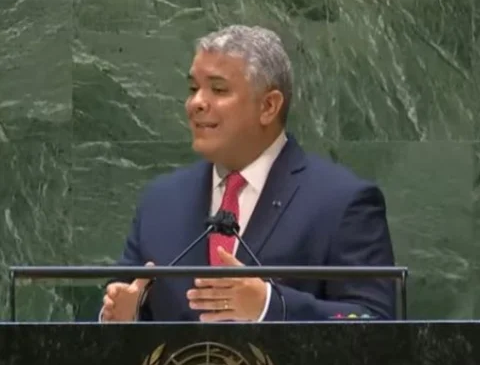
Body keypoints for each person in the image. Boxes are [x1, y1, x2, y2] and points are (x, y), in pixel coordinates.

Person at [100, 24, 396, 323]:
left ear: (268, 106)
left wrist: (268, 305)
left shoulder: (342, 202)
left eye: (218, 89)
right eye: (193, 89)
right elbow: (123, 302)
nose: (196, 103)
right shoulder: (160, 202)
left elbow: (373, 320)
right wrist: (121, 317)